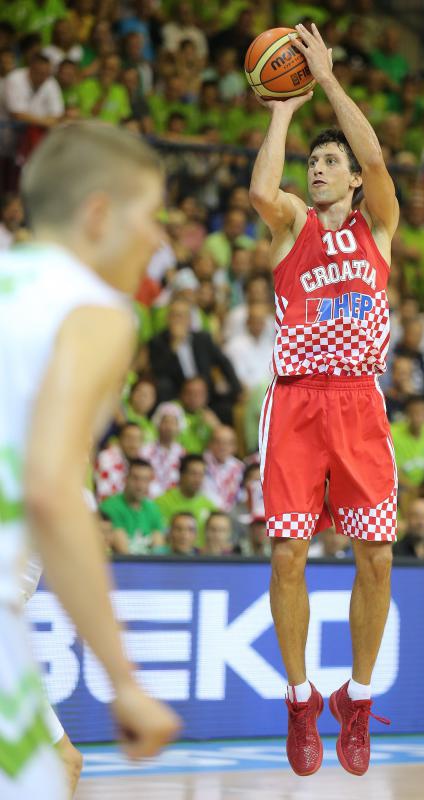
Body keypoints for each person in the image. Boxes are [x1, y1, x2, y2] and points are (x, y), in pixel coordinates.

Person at [0, 121, 179, 798]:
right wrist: (125, 683)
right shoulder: (97, 312)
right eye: (151, 218)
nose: (159, 240)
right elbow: (50, 489)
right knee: (60, 771)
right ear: (98, 215)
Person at [249, 23, 399, 778]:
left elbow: (373, 155)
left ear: (351, 181)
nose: (318, 168)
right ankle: (301, 700)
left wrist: (329, 83)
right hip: (298, 405)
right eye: (312, 161)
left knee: (375, 555)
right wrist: (282, 106)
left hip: (359, 405)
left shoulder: (379, 225)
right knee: (287, 554)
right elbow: (255, 189)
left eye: (327, 160)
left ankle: (358, 702)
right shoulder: (291, 227)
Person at [99, 459, 164, 554]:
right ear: (125, 479)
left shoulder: (153, 509)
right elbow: (124, 552)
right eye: (135, 478)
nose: (140, 485)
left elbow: (159, 551)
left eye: (145, 480)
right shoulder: (110, 507)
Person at [156, 454, 216, 549]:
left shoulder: (210, 506)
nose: (197, 479)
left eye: (201, 474)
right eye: (193, 474)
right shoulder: (161, 502)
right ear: (181, 475)